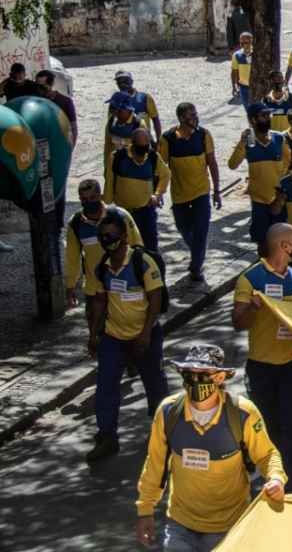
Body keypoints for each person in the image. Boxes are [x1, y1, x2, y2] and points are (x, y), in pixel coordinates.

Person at [134, 343, 285, 550]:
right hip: (180, 524)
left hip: (229, 526)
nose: (195, 381)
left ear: (220, 378)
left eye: (203, 374)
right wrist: (145, 510)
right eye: (189, 374)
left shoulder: (243, 413)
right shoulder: (168, 412)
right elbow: (155, 464)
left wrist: (276, 478)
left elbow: (267, 454)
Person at [232, 224, 292, 491]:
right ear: (283, 246)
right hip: (263, 367)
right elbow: (238, 322)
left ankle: (290, 487)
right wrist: (253, 307)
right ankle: (268, 479)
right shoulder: (250, 279)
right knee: (266, 429)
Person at [86, 212, 168, 462]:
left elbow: (155, 299)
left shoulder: (142, 262)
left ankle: (164, 431)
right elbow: (100, 301)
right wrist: (93, 334)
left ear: (123, 236)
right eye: (102, 236)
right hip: (113, 337)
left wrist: (145, 335)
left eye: (110, 236)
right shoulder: (102, 268)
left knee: (154, 384)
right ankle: (107, 435)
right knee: (106, 387)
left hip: (145, 337)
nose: (105, 240)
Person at [159, 103, 222, 282]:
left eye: (195, 114)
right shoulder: (168, 139)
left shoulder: (204, 135)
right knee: (184, 229)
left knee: (201, 232)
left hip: (201, 193)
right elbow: (161, 169)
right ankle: (198, 253)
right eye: (190, 115)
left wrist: (217, 190)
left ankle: (196, 267)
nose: (194, 118)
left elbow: (212, 163)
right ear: (180, 118)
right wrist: (159, 192)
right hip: (179, 196)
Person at [66, 179, 143, 309]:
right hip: (95, 290)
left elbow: (137, 247)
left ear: (100, 196)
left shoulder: (121, 216)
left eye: (92, 198)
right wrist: (70, 287)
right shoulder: (75, 223)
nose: (88, 202)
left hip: (124, 285)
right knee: (96, 327)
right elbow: (72, 259)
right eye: (84, 199)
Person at [228, 103, 291, 247]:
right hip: (259, 201)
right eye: (263, 116)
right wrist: (242, 143)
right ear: (253, 120)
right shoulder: (248, 141)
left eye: (268, 115)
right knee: (262, 241)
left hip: (279, 199)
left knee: (280, 240)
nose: (268, 118)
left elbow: (289, 162)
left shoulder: (279, 139)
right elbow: (232, 164)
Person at [104, 127, 169, 253]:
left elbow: (165, 174)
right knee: (126, 248)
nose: (143, 151)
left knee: (150, 247)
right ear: (132, 144)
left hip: (146, 211)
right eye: (140, 147)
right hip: (124, 213)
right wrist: (106, 203)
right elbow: (110, 180)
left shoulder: (152, 157)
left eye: (146, 146)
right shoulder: (118, 157)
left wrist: (157, 194)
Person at [115, 70, 162, 144]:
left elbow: (155, 119)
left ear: (132, 81)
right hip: (122, 144)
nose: (122, 84)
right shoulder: (115, 101)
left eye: (126, 81)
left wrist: (159, 140)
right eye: (119, 82)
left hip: (143, 143)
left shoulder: (144, 98)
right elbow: (111, 125)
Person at [105, 91, 148, 168]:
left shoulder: (138, 125)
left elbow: (146, 153)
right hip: (116, 166)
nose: (114, 113)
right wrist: (107, 168)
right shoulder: (111, 123)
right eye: (112, 109)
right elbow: (107, 148)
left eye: (117, 109)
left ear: (126, 109)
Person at [35, 70, 78, 145]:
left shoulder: (66, 101)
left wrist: (70, 147)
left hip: (59, 142)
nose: (39, 89)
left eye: (42, 86)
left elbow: (73, 127)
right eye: (37, 86)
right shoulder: (34, 102)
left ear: (51, 84)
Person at [230, 32, 253, 111]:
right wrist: (234, 87)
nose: (243, 45)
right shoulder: (237, 55)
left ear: (251, 42)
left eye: (246, 43)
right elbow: (234, 71)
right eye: (241, 43)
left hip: (256, 87)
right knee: (248, 109)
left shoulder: (257, 54)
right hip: (243, 87)